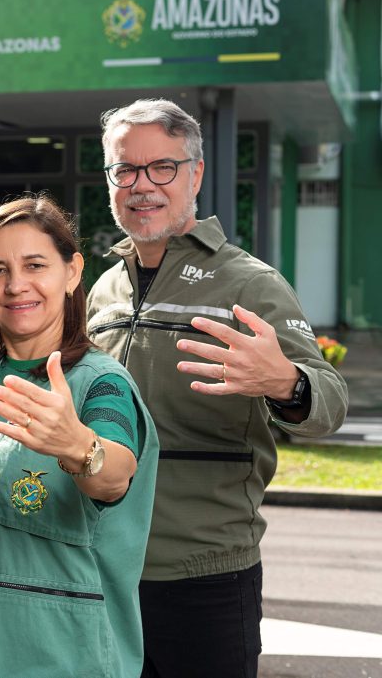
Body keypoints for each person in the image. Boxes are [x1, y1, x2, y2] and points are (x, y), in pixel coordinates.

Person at [87, 98, 349, 677]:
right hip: (103, 570)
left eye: (162, 167)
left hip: (205, 578)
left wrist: (285, 382)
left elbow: (330, 401)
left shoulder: (250, 284)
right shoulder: (103, 290)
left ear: (196, 174)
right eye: (124, 170)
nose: (142, 186)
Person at [0, 196, 159, 678]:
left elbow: (115, 477)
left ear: (72, 272)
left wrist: (79, 447)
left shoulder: (101, 384)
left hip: (58, 661)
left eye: (35, 265)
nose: (15, 284)